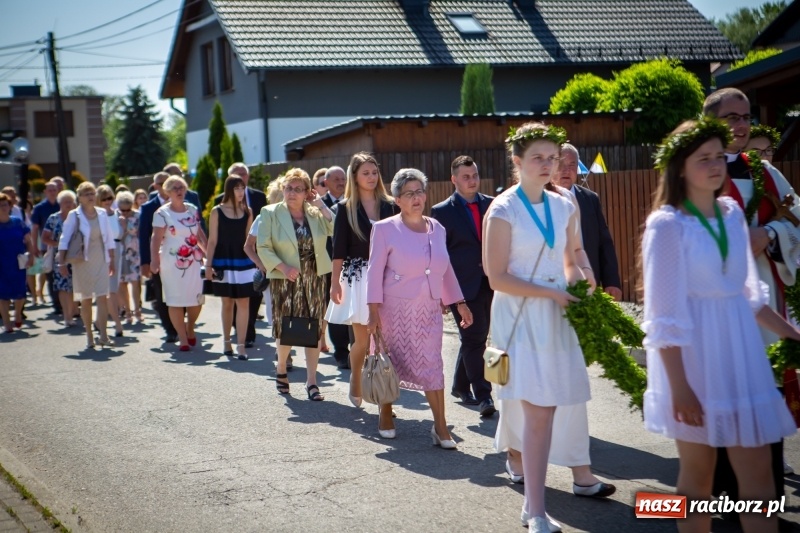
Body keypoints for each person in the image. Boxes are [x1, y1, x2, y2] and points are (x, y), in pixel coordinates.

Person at [642, 117, 799, 533]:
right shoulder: (668, 226)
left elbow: (748, 296)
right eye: (703, 158)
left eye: (718, 156)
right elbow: (662, 318)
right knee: (699, 479)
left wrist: (793, 334)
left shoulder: (731, 213)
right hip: (695, 362)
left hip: (741, 356)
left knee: (761, 478)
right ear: (678, 167)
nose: (715, 166)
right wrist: (679, 388)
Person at [484, 122, 591, 532]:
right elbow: (495, 277)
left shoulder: (564, 206)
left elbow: (569, 260)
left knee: (548, 408)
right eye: (538, 158)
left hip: (555, 314)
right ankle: (535, 510)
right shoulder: (503, 208)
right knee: (536, 412)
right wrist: (553, 294)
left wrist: (584, 277)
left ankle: (536, 505)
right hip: (519, 315)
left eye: (553, 157)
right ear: (517, 162)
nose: (548, 165)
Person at [704, 87, 800, 500]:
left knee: (767, 396)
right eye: (731, 118)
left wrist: (770, 234)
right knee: (724, 399)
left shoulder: (764, 173)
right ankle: (726, 498)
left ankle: (768, 501)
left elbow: (797, 222)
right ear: (710, 121)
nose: (741, 125)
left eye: (745, 116)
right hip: (716, 305)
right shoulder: (693, 170)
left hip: (764, 301)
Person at [366, 168, 473, 445]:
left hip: (429, 309)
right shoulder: (384, 229)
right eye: (409, 193)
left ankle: (440, 427)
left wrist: (458, 302)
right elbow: (374, 272)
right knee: (390, 363)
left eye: (420, 192)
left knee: (432, 364)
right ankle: (386, 413)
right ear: (397, 199)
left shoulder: (437, 228)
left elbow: (445, 268)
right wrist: (373, 311)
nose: (416, 198)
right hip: (393, 311)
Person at [325, 152, 398, 408]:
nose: (371, 177)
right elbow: (338, 250)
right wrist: (334, 283)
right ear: (354, 177)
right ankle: (356, 379)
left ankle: (382, 393)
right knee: (363, 339)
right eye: (365, 173)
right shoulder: (345, 208)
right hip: (358, 277)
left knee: (386, 337)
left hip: (389, 276)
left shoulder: (391, 204)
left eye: (374, 172)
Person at [257, 169, 334, 400]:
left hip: (314, 276)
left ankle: (312, 382)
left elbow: (334, 227)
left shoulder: (315, 213)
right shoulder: (270, 213)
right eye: (289, 188)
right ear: (283, 189)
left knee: (314, 328)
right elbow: (263, 247)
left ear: (307, 192)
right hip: (286, 277)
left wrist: (320, 203)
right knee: (288, 329)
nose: (292, 193)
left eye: (298, 189)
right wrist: (282, 267)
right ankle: (281, 368)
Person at [429, 155, 496, 417]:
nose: (472, 181)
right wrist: (442, 294)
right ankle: (484, 395)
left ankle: (459, 385)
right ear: (454, 179)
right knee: (473, 337)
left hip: (491, 282)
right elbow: (439, 256)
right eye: (466, 177)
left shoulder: (493, 205)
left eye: (475, 175)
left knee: (477, 337)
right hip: (460, 289)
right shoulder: (442, 211)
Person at [554, 143, 621, 300]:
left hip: (588, 280)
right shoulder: (540, 199)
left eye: (572, 165)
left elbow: (604, 243)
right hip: (555, 284)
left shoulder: (590, 199)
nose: (567, 170)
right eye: (561, 164)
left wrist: (612, 281)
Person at [150, 176, 206, 352]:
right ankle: (182, 337)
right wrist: (153, 260)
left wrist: (209, 256)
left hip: (194, 261)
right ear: (167, 191)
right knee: (174, 300)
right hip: (171, 263)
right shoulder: (161, 213)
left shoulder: (192, 209)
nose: (179, 191)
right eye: (175, 188)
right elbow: (156, 238)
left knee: (196, 299)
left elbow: (200, 235)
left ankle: (190, 327)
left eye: (182, 187)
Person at [57, 182, 117, 349]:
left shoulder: (102, 213)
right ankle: (90, 336)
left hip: (101, 259)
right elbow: (64, 239)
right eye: (86, 194)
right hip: (82, 261)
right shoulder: (74, 215)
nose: (90, 196)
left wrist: (111, 259)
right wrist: (61, 262)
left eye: (92, 193)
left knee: (103, 297)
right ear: (80, 198)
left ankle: (103, 335)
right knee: (86, 299)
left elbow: (109, 238)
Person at [214, 163, 267, 348]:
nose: (241, 179)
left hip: (250, 256)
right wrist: (210, 263)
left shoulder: (258, 198)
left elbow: (259, 231)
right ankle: (232, 337)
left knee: (250, 296)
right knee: (229, 300)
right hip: (226, 258)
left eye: (243, 175)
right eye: (236, 176)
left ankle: (245, 336)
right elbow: (214, 236)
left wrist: (261, 257)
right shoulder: (218, 204)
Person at [207, 175, 258, 360]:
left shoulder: (248, 211)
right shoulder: (216, 211)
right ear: (229, 189)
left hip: (244, 263)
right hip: (223, 262)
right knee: (227, 302)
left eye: (242, 188)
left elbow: (249, 241)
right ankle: (227, 342)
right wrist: (208, 265)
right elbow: (212, 241)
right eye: (237, 188)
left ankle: (241, 346)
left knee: (244, 302)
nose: (240, 192)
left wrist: (258, 262)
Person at [139, 172, 180, 342]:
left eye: (166, 182)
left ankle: (179, 324)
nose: (164, 185)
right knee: (161, 293)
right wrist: (145, 262)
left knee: (180, 293)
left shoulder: (182, 204)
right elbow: (143, 236)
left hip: (180, 258)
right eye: (160, 183)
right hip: (159, 259)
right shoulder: (148, 208)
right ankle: (170, 329)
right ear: (155, 187)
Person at [321, 166, 352, 368]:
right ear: (326, 182)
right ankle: (341, 351)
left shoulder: (353, 201)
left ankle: (359, 348)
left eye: (343, 178)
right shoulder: (318, 205)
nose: (341, 182)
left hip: (353, 262)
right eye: (336, 179)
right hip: (328, 262)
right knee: (337, 306)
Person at [41, 190, 77, 327]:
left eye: (71, 201)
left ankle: (74, 310)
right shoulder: (53, 218)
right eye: (65, 201)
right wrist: (60, 245)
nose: (68, 204)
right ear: (60, 203)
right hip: (59, 257)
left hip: (75, 256)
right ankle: (67, 316)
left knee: (75, 286)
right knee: (63, 286)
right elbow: (45, 238)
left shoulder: (78, 217)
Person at [0, 193, 35, 332]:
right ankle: (7, 323)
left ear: (10, 206)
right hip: (1, 264)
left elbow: (28, 239)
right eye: (0, 205)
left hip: (17, 262)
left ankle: (17, 314)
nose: (3, 207)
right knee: (2, 294)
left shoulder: (17, 222)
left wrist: (31, 255)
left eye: (5, 204)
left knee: (20, 292)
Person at [97, 185, 124, 337]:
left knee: (111, 289)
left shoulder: (117, 213)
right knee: (110, 291)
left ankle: (97, 321)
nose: (107, 201)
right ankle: (117, 324)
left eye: (110, 198)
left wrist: (124, 228)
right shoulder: (98, 215)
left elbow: (120, 235)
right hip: (103, 252)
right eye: (104, 198)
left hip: (118, 249)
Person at [31, 180, 60, 312]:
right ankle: (56, 304)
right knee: (50, 275)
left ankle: (66, 303)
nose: (52, 192)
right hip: (46, 246)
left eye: (54, 190)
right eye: (50, 190)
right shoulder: (39, 208)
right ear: (45, 192)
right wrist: (34, 246)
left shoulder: (62, 205)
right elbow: (35, 228)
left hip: (63, 246)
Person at [116, 191, 142, 324]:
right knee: (122, 284)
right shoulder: (115, 216)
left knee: (136, 283)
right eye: (122, 210)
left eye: (128, 209)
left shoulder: (138, 215)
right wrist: (123, 227)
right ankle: (127, 312)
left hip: (135, 254)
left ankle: (137, 310)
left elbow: (141, 233)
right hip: (120, 254)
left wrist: (127, 226)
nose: (125, 212)